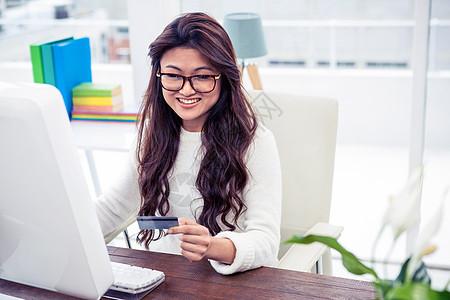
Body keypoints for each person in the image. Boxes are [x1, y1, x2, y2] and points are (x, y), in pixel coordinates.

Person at [95, 12, 282, 275]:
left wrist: (211, 247)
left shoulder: (255, 141)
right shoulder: (151, 131)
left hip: (230, 284)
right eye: (173, 76)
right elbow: (113, 208)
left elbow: (266, 241)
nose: (185, 90)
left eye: (202, 77)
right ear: (158, 76)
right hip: (162, 279)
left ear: (224, 79)